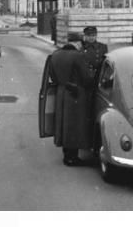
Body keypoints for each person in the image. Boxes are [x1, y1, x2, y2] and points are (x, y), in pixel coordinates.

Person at [48, 33, 95, 166]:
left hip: (61, 92)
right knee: (75, 125)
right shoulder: (78, 56)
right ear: (77, 43)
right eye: (81, 43)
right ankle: (72, 158)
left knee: (63, 124)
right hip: (76, 94)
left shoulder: (55, 54)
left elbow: (52, 75)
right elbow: (86, 78)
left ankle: (67, 155)